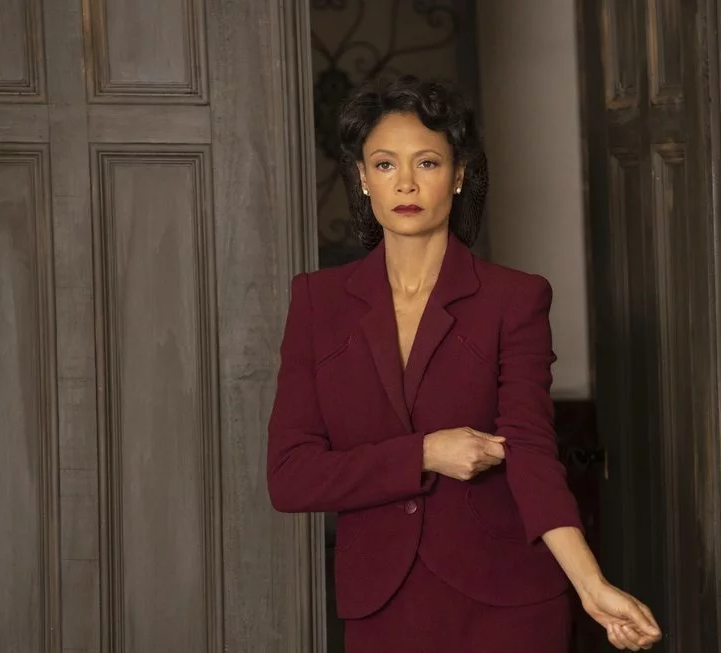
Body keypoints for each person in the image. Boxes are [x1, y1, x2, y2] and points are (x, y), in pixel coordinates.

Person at [266, 74, 662, 652]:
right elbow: (290, 477)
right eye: (384, 164)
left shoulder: (514, 298)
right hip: (382, 605)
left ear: (458, 175)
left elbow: (531, 453)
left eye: (426, 162)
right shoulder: (316, 302)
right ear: (362, 178)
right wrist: (424, 453)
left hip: (506, 603)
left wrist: (591, 585)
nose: (405, 182)